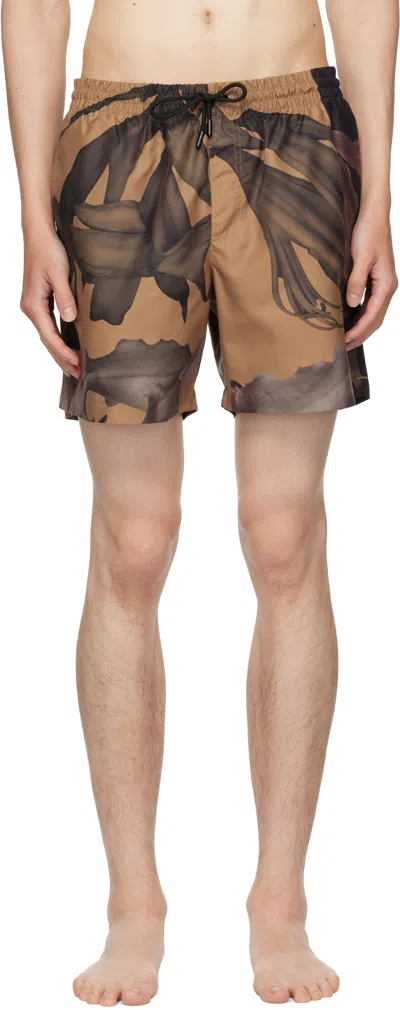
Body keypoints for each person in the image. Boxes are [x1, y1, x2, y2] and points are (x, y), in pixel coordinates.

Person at [2, 0, 398, 1004]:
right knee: (133, 540)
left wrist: (377, 190)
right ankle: (133, 905)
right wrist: (33, 214)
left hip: (294, 131)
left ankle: (281, 902)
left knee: (285, 533)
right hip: (120, 134)